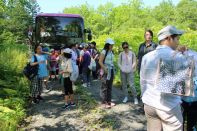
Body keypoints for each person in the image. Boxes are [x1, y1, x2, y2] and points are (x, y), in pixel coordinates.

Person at [140, 25, 186, 131]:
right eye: (177, 39)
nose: (178, 42)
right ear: (169, 38)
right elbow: (180, 89)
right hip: (168, 107)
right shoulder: (178, 57)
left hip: (149, 103)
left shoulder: (147, 57)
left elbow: (143, 81)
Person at [181, 48, 197, 131]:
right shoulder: (181, 75)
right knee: (180, 122)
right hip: (182, 101)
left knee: (191, 124)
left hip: (194, 102)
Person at [99, 38, 116, 109]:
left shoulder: (111, 52)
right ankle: (103, 103)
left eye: (112, 44)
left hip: (111, 70)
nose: (112, 46)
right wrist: (104, 68)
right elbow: (100, 61)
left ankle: (108, 102)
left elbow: (112, 62)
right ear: (107, 44)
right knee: (104, 87)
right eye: (110, 45)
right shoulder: (104, 51)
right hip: (105, 70)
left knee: (109, 86)